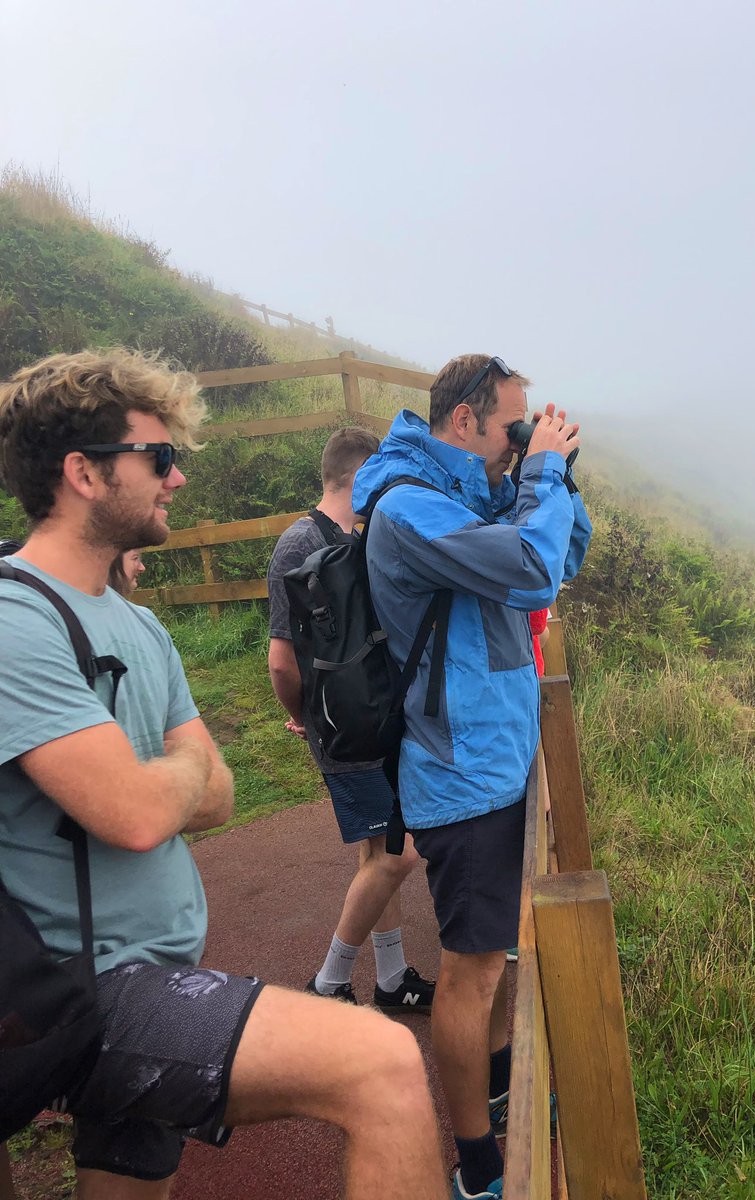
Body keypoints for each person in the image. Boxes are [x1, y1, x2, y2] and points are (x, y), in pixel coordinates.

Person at [0, 349, 448, 1200]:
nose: (175, 480)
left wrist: (168, 783)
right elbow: (138, 813)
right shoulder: (14, 621)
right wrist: (173, 775)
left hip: (152, 967)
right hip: (83, 991)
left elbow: (223, 791)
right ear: (83, 473)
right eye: (159, 458)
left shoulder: (140, 627)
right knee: (382, 1061)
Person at [352, 354, 592, 1200]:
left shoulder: (465, 490)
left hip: (495, 757)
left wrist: (558, 473)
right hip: (462, 774)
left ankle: (496, 1090)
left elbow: (566, 555)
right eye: (508, 425)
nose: (516, 441)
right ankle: (479, 1166)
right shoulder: (414, 507)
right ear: (463, 420)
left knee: (489, 957)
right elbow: (531, 567)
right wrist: (542, 474)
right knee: (471, 972)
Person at [267, 427, 435, 1010]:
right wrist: (308, 720)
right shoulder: (297, 545)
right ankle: (328, 981)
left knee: (379, 853)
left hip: (375, 721)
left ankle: (390, 979)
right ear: (361, 474)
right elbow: (282, 661)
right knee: (400, 853)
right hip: (344, 729)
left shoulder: (359, 535)